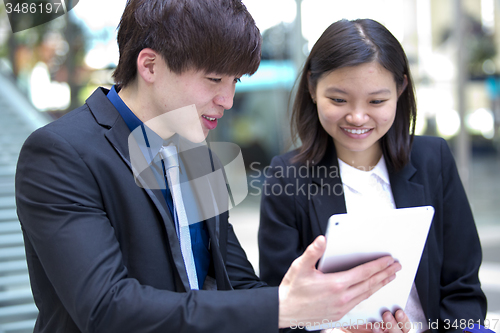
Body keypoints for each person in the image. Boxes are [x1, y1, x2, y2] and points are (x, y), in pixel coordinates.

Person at [15, 2, 403, 332]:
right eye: (214, 79)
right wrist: (283, 307)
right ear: (149, 66)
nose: (228, 99)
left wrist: (327, 314)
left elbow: (236, 283)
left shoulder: (195, 153)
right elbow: (107, 308)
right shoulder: (61, 154)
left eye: (234, 80)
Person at [258, 18, 487, 333]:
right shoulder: (287, 177)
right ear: (312, 87)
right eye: (338, 100)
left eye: (377, 101)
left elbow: (462, 288)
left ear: (401, 89)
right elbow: (279, 302)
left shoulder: (434, 159)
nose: (357, 116)